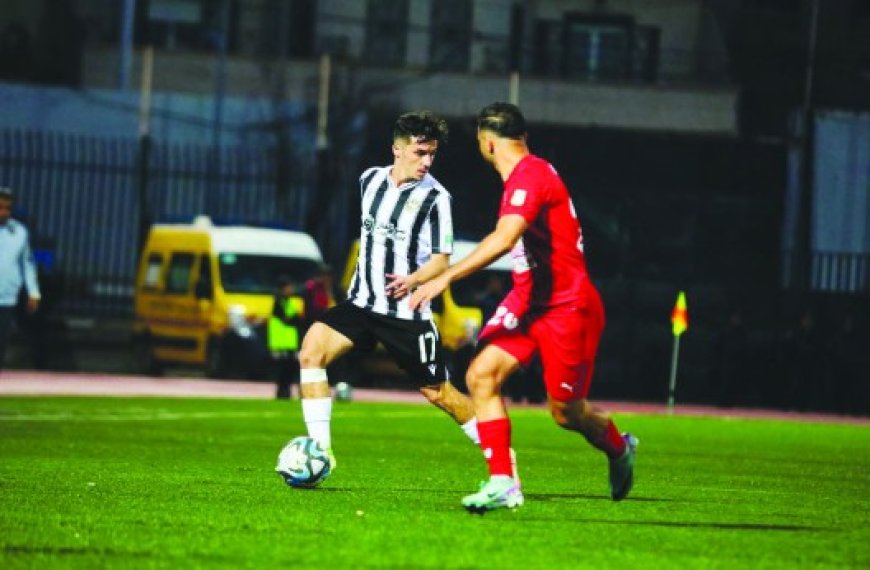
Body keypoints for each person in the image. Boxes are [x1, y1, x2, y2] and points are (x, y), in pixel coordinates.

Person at [410, 103, 637, 513]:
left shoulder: (529, 178)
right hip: (529, 302)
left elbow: (504, 237)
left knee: (566, 413)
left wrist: (446, 277)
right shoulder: (526, 174)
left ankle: (619, 448)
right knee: (480, 375)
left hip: (567, 307)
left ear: (487, 143)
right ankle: (503, 482)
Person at [296, 111, 513, 476]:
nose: (427, 162)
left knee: (439, 393)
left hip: (405, 316)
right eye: (420, 153)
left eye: (432, 154)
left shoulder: (437, 199)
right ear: (397, 149)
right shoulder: (370, 181)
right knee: (310, 353)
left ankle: (502, 457)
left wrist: (413, 279)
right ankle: (322, 454)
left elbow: (442, 261)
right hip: (362, 305)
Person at [0, 187, 41, 373]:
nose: (3, 212)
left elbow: (27, 263)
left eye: (7, 208)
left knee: (1, 344)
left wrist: (33, 291)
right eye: (0, 207)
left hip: (6, 298)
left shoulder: (19, 232)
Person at [269, 276, 305, 399]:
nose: (291, 289)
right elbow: (287, 319)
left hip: (289, 341)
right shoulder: (279, 301)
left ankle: (285, 392)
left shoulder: (288, 301)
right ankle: (282, 392)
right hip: (281, 341)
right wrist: (297, 319)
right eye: (289, 287)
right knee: (284, 370)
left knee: (290, 368)